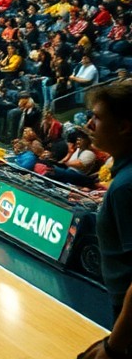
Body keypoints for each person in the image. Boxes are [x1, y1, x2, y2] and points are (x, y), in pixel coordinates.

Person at [81, 84, 132, 357]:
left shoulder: (126, 186)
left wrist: (114, 346)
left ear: (123, 127)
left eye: (98, 117)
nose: (89, 123)